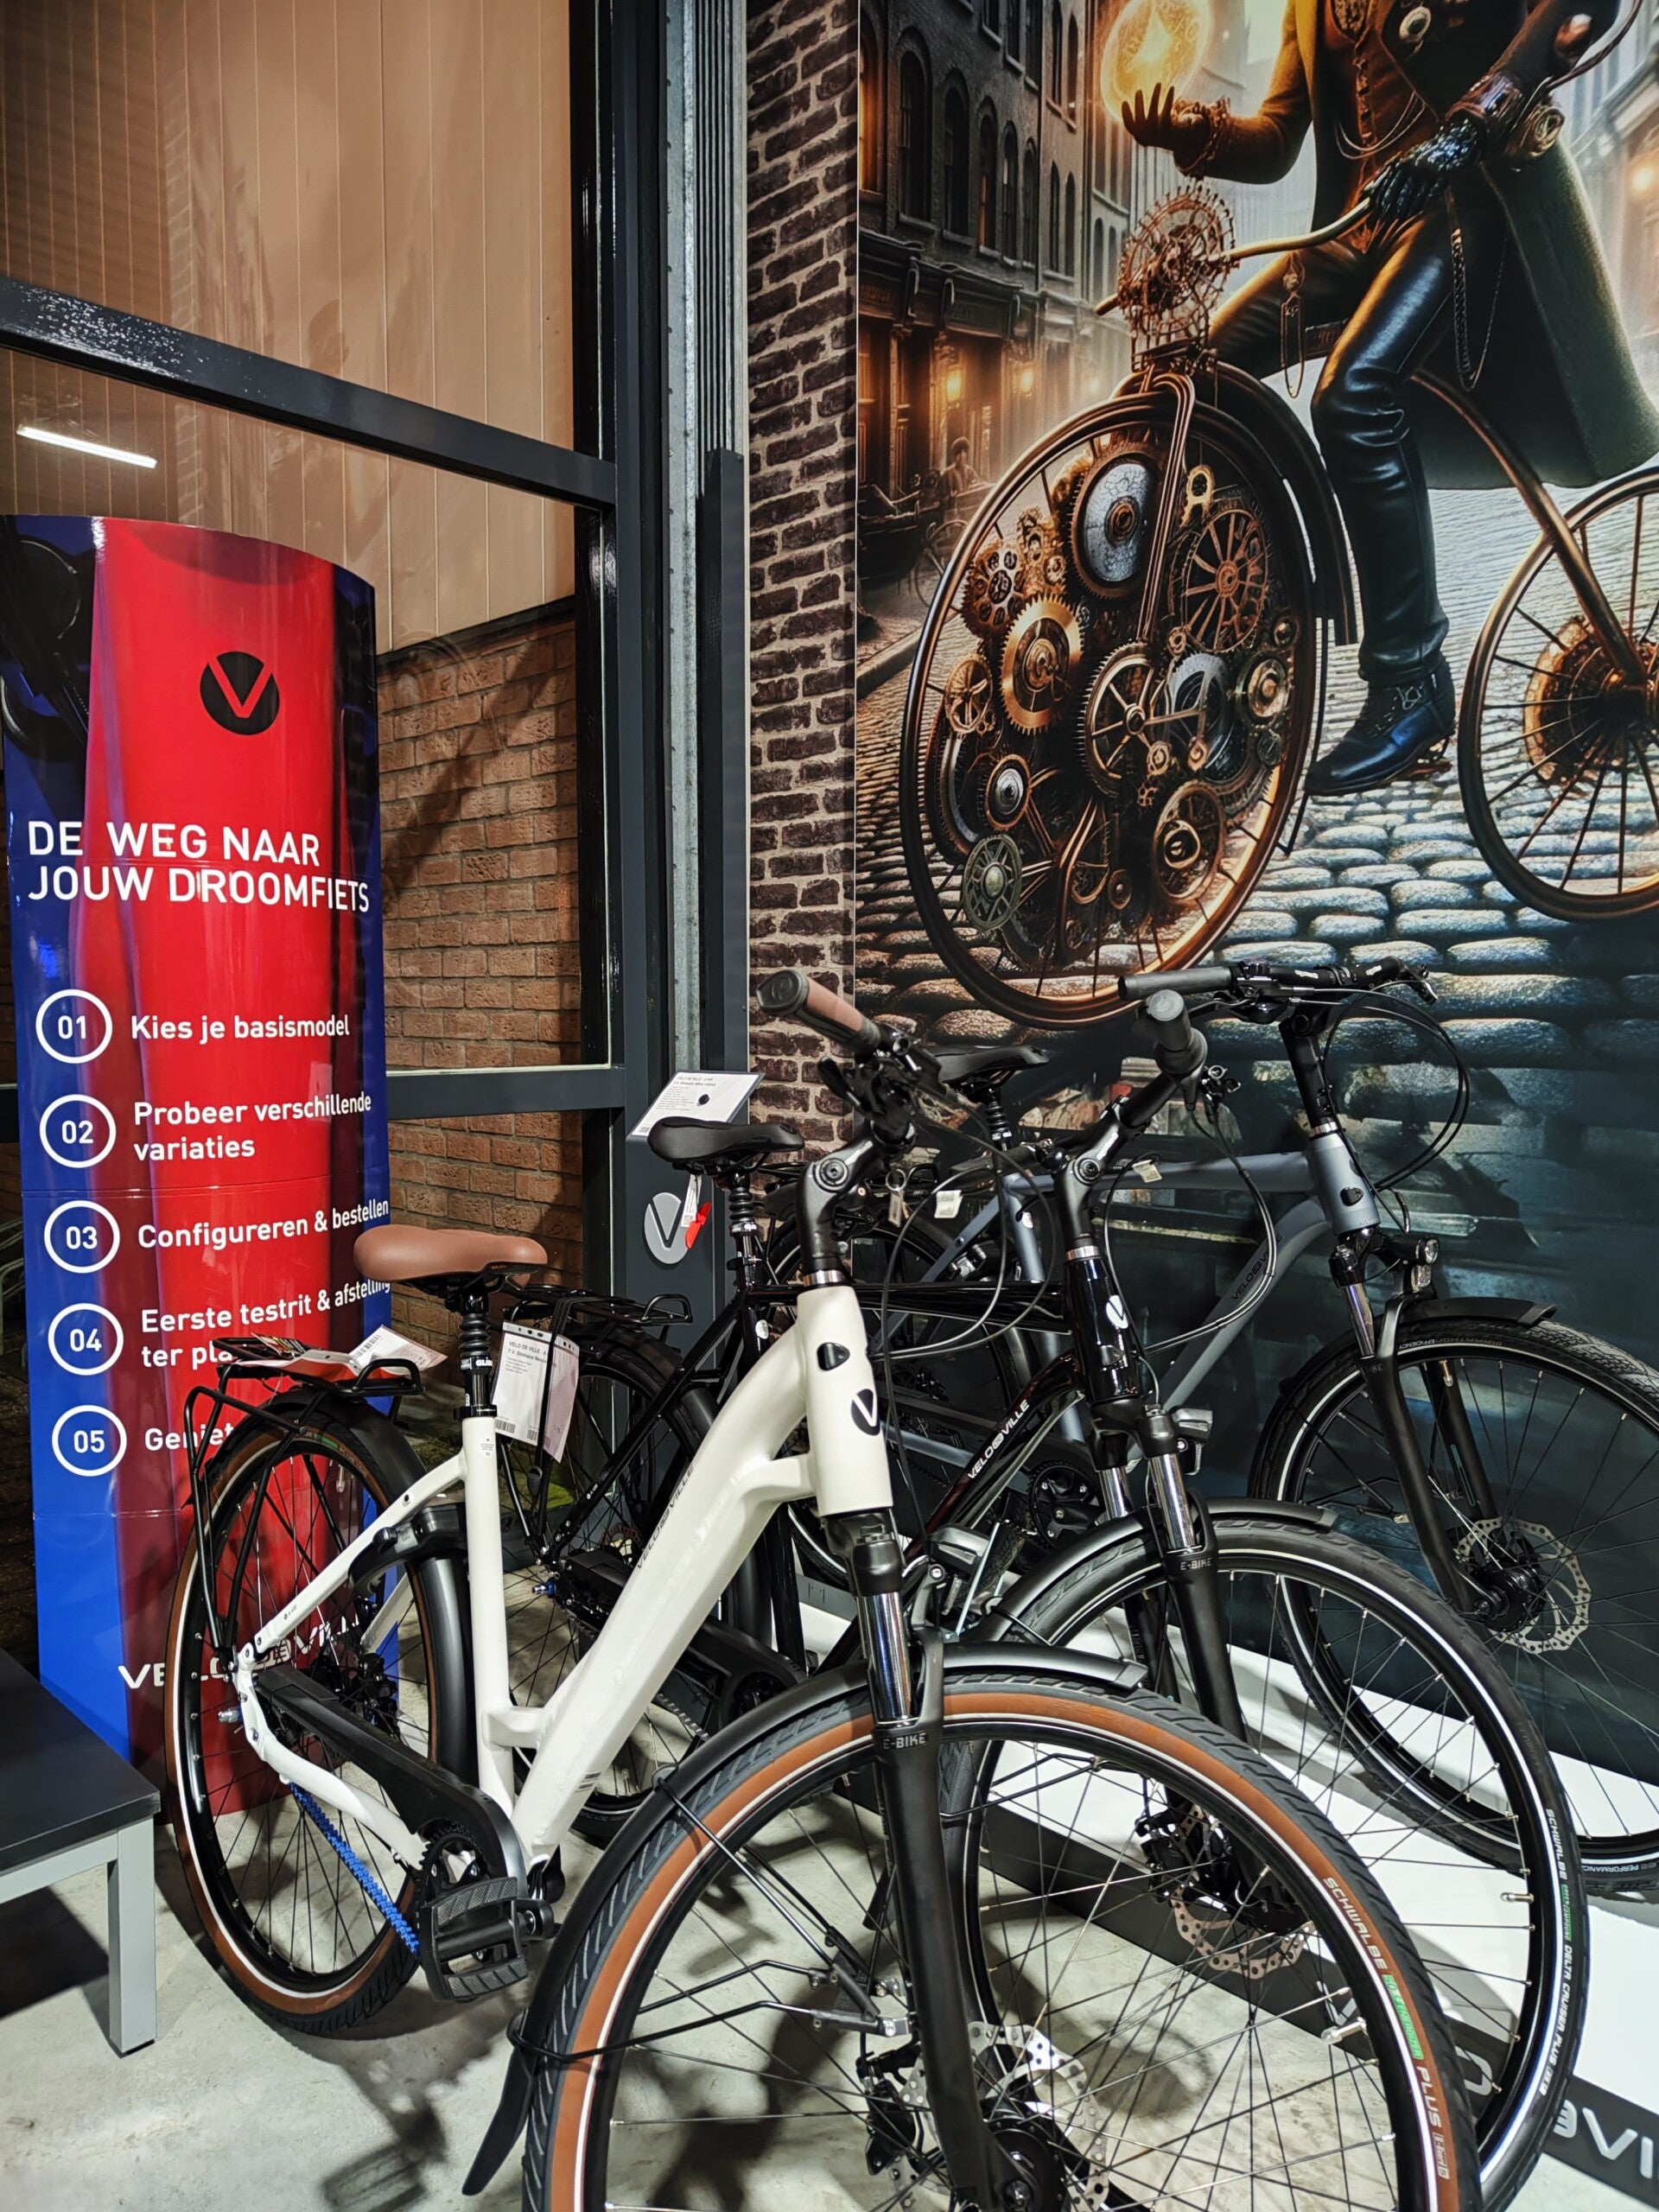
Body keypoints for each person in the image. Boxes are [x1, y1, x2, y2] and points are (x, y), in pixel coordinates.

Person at [1124, 0, 1658, 794]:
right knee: (1184, 376)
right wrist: (1187, 130)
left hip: (1463, 201)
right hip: (1353, 227)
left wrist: (1466, 129)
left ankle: (1412, 686)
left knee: (1352, 394)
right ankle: (1185, 629)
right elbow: (1277, 138)